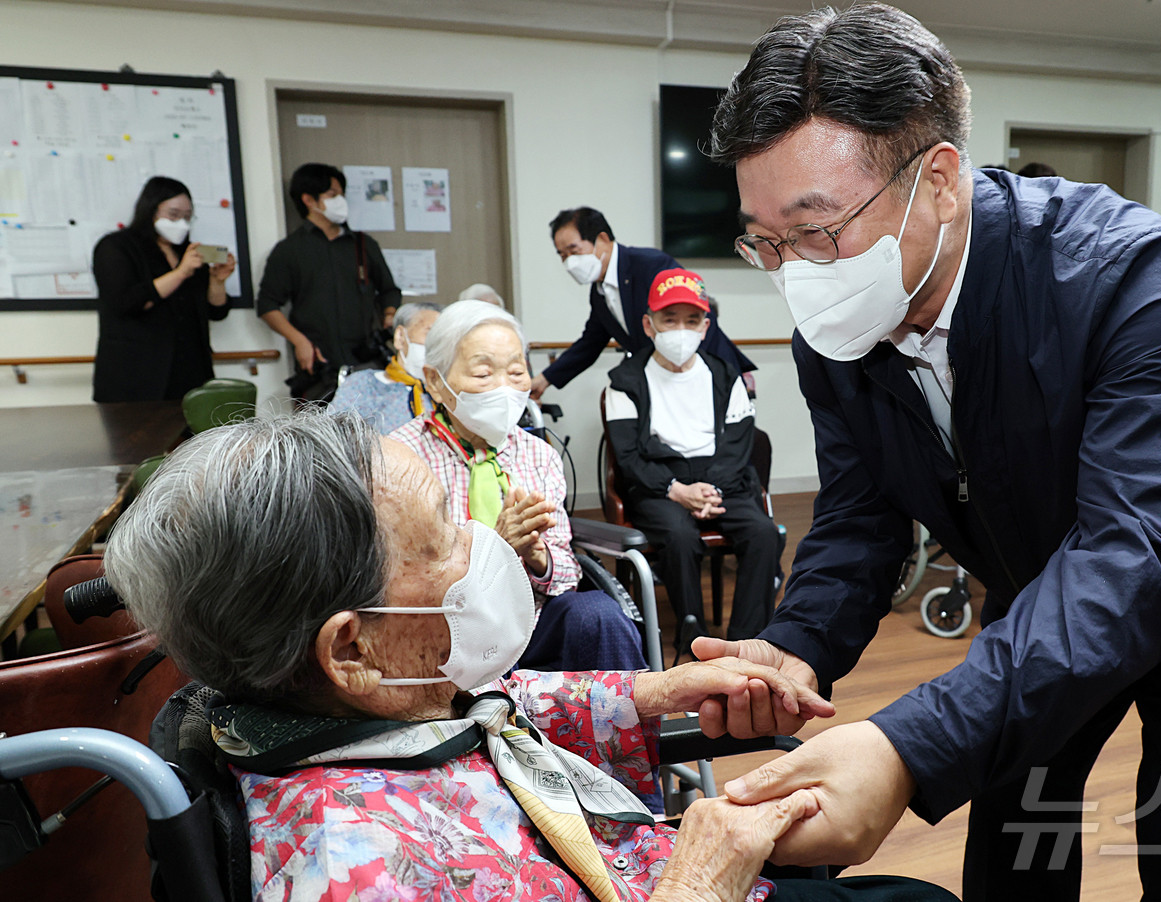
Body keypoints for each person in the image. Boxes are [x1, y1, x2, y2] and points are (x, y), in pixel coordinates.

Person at [694, 5, 1161, 901]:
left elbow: (1140, 553)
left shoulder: (1125, 271)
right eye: (765, 240)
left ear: (942, 180)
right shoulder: (836, 323)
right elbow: (858, 517)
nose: (795, 270)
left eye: (816, 228)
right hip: (1047, 572)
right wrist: (797, 648)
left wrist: (903, 746)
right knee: (1016, 826)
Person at [103, 411, 956, 902]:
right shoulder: (348, 864)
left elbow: (490, 712)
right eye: (442, 539)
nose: (482, 546)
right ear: (351, 649)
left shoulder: (356, 708)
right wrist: (700, 882)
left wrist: (661, 691)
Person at [390, 301, 647, 677]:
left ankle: (634, 732)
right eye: (482, 374)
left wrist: (537, 554)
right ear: (434, 382)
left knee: (598, 616)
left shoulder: (538, 455)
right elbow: (404, 579)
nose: (505, 389)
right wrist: (494, 549)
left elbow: (566, 577)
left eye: (516, 372)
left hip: (530, 621)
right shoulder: (402, 457)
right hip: (448, 631)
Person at [605, 269, 782, 655]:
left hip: (722, 480)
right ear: (649, 325)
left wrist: (709, 490)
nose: (680, 330)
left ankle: (746, 642)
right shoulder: (624, 381)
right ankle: (694, 638)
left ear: (705, 327)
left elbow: (739, 443)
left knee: (763, 533)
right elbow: (628, 457)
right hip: (659, 484)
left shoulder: (726, 373)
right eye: (669, 320)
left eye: (691, 320)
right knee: (680, 536)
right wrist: (677, 490)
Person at [532, 207, 755, 399]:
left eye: (574, 251)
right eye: (562, 255)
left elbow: (693, 319)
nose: (569, 262)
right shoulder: (599, 291)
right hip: (663, 381)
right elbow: (590, 344)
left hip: (706, 373)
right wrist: (543, 380)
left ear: (601, 240)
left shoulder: (650, 266)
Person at [91, 176, 237, 402]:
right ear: (150, 210)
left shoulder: (189, 253)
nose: (181, 222)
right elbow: (127, 303)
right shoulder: (115, 247)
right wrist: (180, 273)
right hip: (135, 378)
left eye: (187, 217)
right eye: (173, 214)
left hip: (190, 375)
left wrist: (217, 282)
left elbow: (216, 311)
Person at [256, 162, 401, 387]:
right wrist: (299, 341)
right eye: (332, 195)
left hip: (366, 361)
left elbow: (389, 290)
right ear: (309, 200)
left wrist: (389, 315)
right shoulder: (290, 249)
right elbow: (267, 305)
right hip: (319, 364)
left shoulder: (363, 245)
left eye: (342, 195)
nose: (341, 201)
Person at [328, 301, 441, 434]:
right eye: (430, 333)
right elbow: (335, 437)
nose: (437, 343)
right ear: (400, 337)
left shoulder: (446, 391)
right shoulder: (365, 384)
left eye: (442, 337)